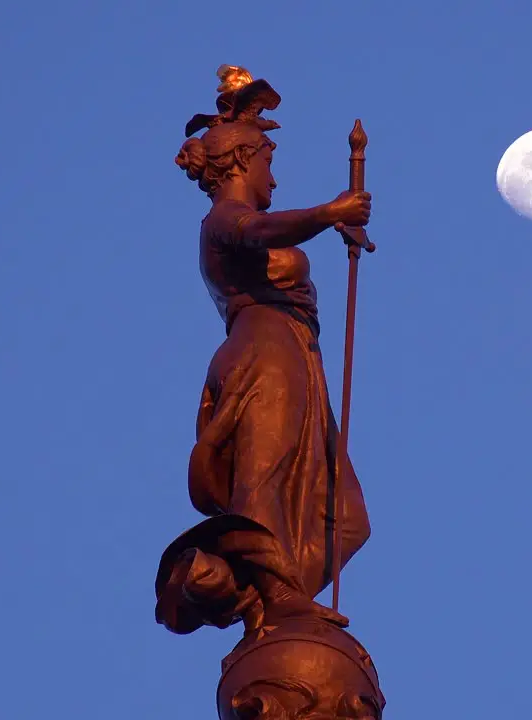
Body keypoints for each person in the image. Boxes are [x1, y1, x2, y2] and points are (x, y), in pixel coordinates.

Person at [154, 69, 373, 638]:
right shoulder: (224, 221)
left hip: (295, 352)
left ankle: (268, 592)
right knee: (263, 481)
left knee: (345, 519)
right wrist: (329, 215)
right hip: (264, 351)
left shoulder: (244, 220)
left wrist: (334, 224)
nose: (273, 179)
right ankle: (271, 597)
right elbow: (257, 231)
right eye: (269, 165)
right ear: (244, 162)